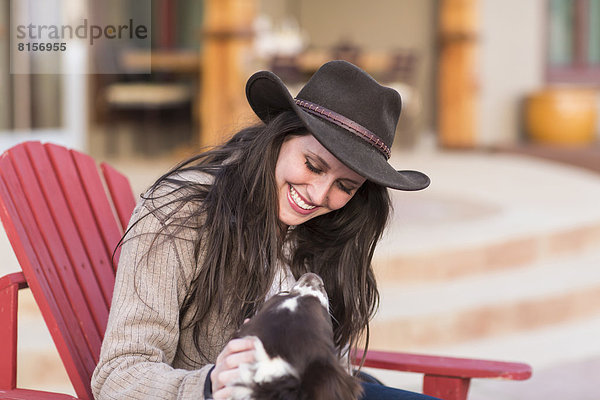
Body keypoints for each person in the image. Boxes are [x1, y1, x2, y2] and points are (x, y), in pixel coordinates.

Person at [92, 60, 437, 400]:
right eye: (312, 165)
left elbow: (335, 364)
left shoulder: (334, 229)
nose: (318, 195)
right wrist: (211, 383)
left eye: (345, 186)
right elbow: (118, 376)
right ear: (280, 136)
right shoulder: (182, 212)